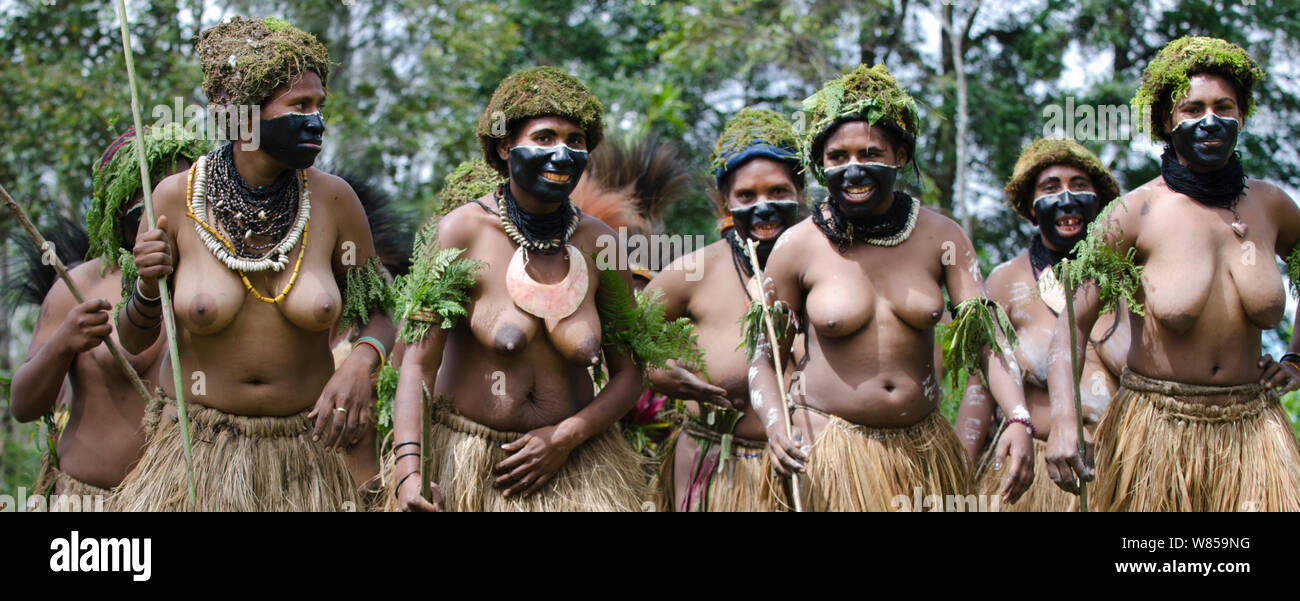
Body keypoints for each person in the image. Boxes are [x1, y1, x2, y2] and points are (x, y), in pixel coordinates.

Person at [112, 16, 393, 511]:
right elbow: (134, 340)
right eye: (299, 106)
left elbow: (379, 313)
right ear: (244, 116)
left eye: (320, 106)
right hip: (200, 454)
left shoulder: (333, 201)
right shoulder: (176, 199)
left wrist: (363, 361)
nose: (317, 121)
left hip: (305, 457)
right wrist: (147, 287)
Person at [748, 64, 1034, 511]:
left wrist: (1017, 416)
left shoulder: (942, 236)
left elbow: (986, 338)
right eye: (837, 157)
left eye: (870, 153)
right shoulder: (797, 246)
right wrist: (774, 424)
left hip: (920, 453)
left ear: (900, 156)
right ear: (821, 165)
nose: (853, 168)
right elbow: (765, 356)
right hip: (829, 453)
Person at [388, 67, 661, 512]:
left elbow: (629, 373)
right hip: (473, 466)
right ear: (503, 146)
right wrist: (409, 475)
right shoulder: (462, 232)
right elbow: (417, 365)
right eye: (545, 137)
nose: (562, 153)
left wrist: (564, 437)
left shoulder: (601, 242)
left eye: (576, 142)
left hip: (579, 467)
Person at [1046, 36, 1300, 511]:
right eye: (1192, 108)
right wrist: (1064, 420)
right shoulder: (1134, 212)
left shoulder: (1272, 207)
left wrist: (1297, 359)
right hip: (1157, 430)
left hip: (1253, 431)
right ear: (1167, 121)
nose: (1210, 120)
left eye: (1224, 106)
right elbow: (1070, 327)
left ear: (1241, 116)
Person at [10, 126, 208, 511]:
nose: (164, 202)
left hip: (189, 499)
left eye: (179, 186)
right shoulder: (82, 284)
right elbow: (23, 405)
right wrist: (63, 341)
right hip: (90, 503)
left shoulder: (216, 286)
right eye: (148, 188)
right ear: (119, 203)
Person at [645, 108, 805, 511]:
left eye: (778, 192)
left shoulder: (828, 269)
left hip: (812, 469)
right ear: (725, 201)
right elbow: (624, 342)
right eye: (746, 196)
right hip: (717, 469)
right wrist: (665, 375)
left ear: (800, 192)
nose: (763, 207)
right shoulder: (692, 272)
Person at [956, 137, 1129, 511]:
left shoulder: (1129, 281)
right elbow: (980, 387)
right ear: (1032, 210)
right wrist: (957, 485)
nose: (1066, 199)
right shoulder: (1006, 282)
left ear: (1100, 203)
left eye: (1080, 186)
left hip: (1123, 477)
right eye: (1051, 188)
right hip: (1034, 483)